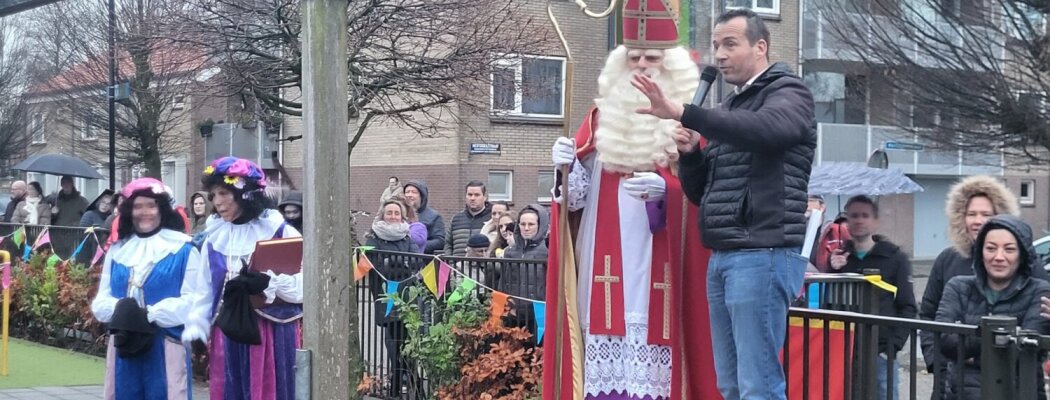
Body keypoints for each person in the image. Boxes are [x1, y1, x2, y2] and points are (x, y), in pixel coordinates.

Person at [631, 8, 817, 399]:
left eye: (730, 44)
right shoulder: (730, 109)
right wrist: (692, 155)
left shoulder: (788, 92)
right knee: (731, 385)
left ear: (760, 47)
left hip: (762, 252)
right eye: (716, 45)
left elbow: (768, 131)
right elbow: (703, 195)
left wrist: (687, 112)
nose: (719, 54)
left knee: (758, 385)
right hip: (725, 255)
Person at [544, 2, 718, 398]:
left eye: (651, 57)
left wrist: (669, 194)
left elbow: (706, 194)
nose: (641, 65)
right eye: (633, 56)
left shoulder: (689, 122)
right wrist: (566, 168)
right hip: (603, 260)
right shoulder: (599, 119)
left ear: (669, 63)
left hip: (662, 255)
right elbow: (574, 206)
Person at [89, 177, 210, 399]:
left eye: (151, 205)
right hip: (124, 345)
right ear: (129, 211)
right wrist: (123, 309)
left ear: (162, 209)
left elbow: (194, 299)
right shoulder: (118, 250)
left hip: (165, 344)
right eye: (137, 206)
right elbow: (101, 299)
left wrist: (150, 314)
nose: (145, 212)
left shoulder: (184, 249)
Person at [200, 157, 302, 400]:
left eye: (223, 193)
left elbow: (305, 286)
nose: (217, 202)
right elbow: (201, 287)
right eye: (213, 195)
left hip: (270, 330)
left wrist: (269, 283)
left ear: (244, 193)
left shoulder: (280, 232)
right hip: (227, 331)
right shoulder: (214, 236)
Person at [918, 175, 1020, 398]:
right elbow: (927, 316)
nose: (978, 220)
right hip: (951, 380)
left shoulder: (1021, 262)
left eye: (986, 214)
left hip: (1007, 380)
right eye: (971, 214)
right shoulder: (947, 260)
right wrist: (936, 362)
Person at [937, 214, 1050, 399]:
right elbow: (944, 340)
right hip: (963, 394)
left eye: (1009, 249)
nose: (998, 257)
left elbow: (1026, 350)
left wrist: (970, 355)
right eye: (990, 248)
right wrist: (1001, 340)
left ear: (1022, 254)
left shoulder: (1040, 290)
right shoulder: (957, 286)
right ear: (980, 252)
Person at [828, 195, 917, 400]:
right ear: (847, 221)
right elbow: (828, 305)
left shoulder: (895, 258)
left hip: (880, 351)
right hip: (845, 351)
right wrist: (831, 270)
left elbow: (908, 307)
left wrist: (892, 348)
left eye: (865, 215)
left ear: (876, 221)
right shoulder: (840, 258)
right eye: (854, 216)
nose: (859, 220)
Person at [365, 198, 424, 397]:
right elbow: (376, 266)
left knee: (408, 342)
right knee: (393, 342)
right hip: (386, 295)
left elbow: (416, 261)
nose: (393, 216)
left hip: (407, 295)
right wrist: (399, 263)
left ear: (402, 216)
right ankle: (397, 384)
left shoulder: (407, 238)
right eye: (389, 213)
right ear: (382, 215)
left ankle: (406, 384)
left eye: (396, 213)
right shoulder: (373, 238)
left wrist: (394, 262)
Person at [445, 180, 492, 257]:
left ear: (484, 197)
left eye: (477, 195)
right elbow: (448, 244)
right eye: (470, 195)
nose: (472, 198)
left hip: (483, 267)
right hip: (457, 267)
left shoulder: (491, 219)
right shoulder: (456, 219)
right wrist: (450, 261)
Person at [403, 181, 445, 254]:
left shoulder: (434, 216)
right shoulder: (398, 214)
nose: (409, 195)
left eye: (414, 192)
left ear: (422, 196)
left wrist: (417, 246)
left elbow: (439, 241)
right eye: (407, 192)